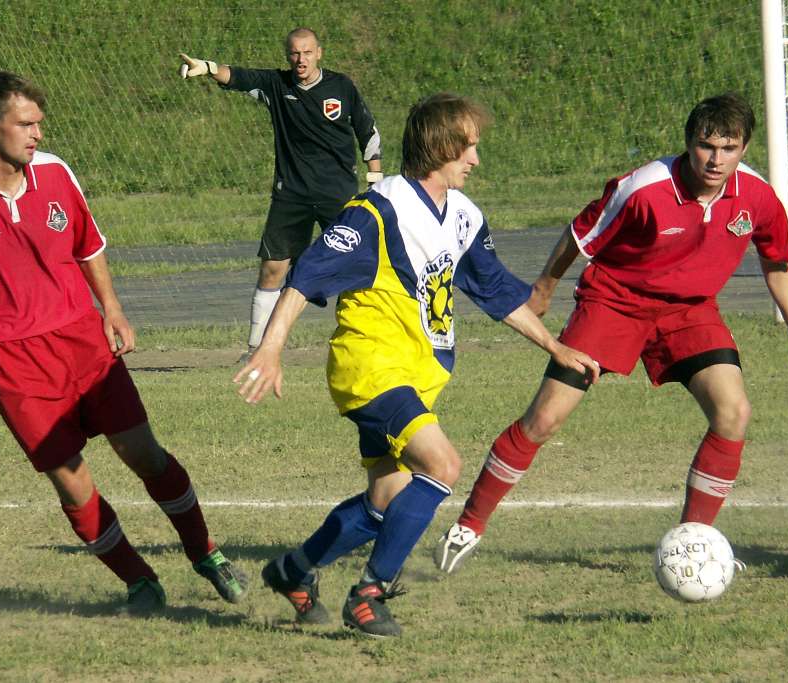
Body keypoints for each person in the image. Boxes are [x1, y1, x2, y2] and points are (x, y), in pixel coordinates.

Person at [234, 93, 599, 637]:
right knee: (442, 466)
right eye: (468, 147)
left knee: (385, 500)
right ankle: (369, 594)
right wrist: (270, 348)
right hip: (370, 367)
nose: (475, 159)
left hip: (417, 374)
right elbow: (306, 275)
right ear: (440, 147)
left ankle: (295, 569)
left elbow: (495, 291)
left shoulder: (464, 216)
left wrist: (555, 347)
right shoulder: (377, 211)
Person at [0, 71, 247, 614]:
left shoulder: (55, 172)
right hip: (11, 361)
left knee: (144, 453)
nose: (37, 133)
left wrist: (113, 309)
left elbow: (88, 244)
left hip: (82, 339)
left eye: (39, 123)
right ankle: (139, 581)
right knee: (71, 481)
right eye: (25, 124)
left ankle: (205, 551)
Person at [433, 92, 788, 575]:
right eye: (706, 146)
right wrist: (543, 290)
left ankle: (693, 543)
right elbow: (579, 234)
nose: (716, 159)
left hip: (689, 312)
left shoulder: (757, 195)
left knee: (734, 413)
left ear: (744, 148)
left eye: (728, 148)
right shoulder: (645, 188)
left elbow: (777, 262)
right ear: (688, 143)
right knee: (545, 420)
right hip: (614, 303)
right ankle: (469, 524)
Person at [179, 27, 383, 355]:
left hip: (338, 194)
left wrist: (375, 182)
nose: (301, 59)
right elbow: (237, 76)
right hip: (292, 195)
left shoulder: (341, 87)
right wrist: (208, 67)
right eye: (295, 53)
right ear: (288, 56)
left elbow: (368, 132)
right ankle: (256, 351)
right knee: (273, 267)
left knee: (355, 265)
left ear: (319, 53)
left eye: (307, 52)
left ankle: (367, 342)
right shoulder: (277, 85)